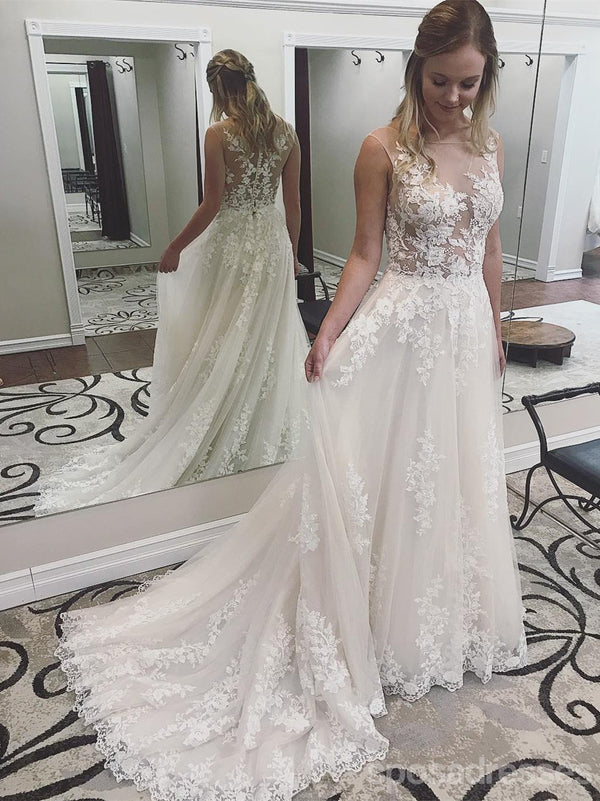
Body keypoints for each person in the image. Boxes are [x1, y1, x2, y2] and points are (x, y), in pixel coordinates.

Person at [54, 3, 527, 798]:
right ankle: (365, 620)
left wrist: (495, 325)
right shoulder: (381, 147)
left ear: (488, 78)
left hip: (463, 334)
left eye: (470, 83)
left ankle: (434, 620)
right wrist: (328, 330)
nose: (455, 98)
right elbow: (365, 253)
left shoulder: (491, 146)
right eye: (441, 81)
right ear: (417, 70)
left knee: (449, 476)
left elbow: (489, 248)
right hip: (403, 329)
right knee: (379, 478)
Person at [37, 50, 308, 515]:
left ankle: (221, 412)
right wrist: (293, 254)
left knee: (223, 329)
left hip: (233, 242)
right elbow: (294, 203)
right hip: (271, 245)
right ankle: (257, 416)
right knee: (264, 333)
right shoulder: (286, 132)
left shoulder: (219, 133)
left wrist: (175, 247)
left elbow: (212, 203)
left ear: (217, 88)